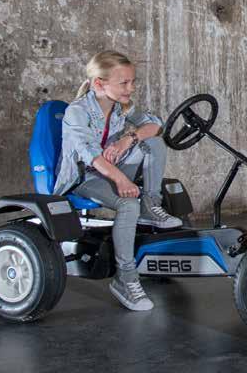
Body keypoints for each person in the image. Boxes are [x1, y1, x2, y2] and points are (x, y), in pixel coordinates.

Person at [54, 50, 181, 311]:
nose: (131, 88)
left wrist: (128, 139)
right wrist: (122, 181)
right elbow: (91, 157)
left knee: (153, 143)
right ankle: (125, 278)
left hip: (109, 167)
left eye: (133, 82)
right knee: (128, 203)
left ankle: (151, 205)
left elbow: (156, 126)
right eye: (124, 83)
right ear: (100, 83)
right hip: (84, 177)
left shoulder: (121, 106)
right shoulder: (76, 112)